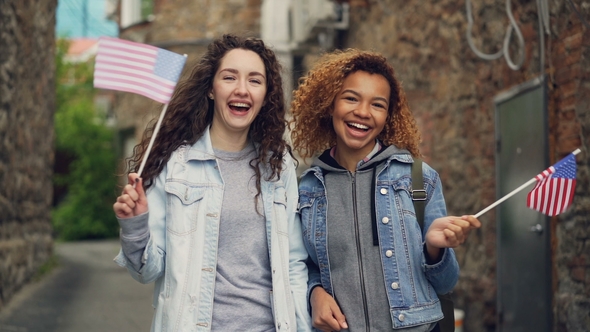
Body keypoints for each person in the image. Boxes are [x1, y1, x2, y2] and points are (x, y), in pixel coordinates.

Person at [113, 34, 311, 332]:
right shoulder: (176, 165)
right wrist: (135, 225)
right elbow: (147, 271)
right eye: (229, 77)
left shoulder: (277, 169)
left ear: (265, 94)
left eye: (255, 81)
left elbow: (294, 265)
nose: (242, 89)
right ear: (211, 89)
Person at [289, 49, 481, 331]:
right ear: (330, 105)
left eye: (377, 105)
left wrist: (434, 250)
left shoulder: (418, 179)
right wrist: (314, 293)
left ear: (387, 115)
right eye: (351, 98)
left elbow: (447, 282)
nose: (363, 112)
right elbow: (306, 266)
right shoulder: (308, 189)